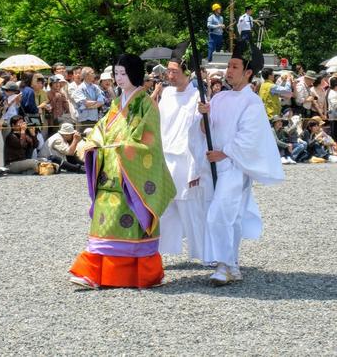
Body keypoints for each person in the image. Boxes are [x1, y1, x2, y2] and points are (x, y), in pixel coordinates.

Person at [69, 53, 176, 289]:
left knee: (128, 224)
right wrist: (92, 142)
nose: (119, 78)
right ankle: (93, 273)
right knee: (103, 221)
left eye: (123, 73)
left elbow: (149, 141)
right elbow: (102, 128)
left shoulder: (146, 104)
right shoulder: (117, 103)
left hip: (130, 175)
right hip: (109, 171)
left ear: (134, 74)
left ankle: (142, 275)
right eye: (116, 74)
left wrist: (124, 149)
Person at [197, 41, 284, 285]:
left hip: (235, 165)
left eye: (235, 66)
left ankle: (223, 265)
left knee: (220, 213)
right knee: (230, 216)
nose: (229, 71)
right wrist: (204, 114)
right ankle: (232, 265)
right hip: (217, 164)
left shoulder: (252, 102)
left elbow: (249, 137)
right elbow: (206, 129)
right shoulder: (221, 97)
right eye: (229, 66)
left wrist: (223, 152)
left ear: (247, 72)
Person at [158, 58, 204, 260]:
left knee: (190, 206)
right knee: (165, 206)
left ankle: (204, 252)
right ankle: (161, 251)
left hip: (185, 156)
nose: (170, 75)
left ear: (188, 72)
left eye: (174, 71)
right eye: (169, 71)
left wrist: (196, 166)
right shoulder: (166, 93)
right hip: (165, 155)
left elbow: (198, 130)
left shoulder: (197, 96)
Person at [72, 67, 105, 132]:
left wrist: (90, 105)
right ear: (87, 75)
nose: (94, 75)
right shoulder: (79, 88)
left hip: (95, 118)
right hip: (84, 119)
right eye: (92, 73)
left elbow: (102, 101)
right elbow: (85, 103)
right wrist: (96, 103)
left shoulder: (96, 87)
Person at [327, 77, 337, 141]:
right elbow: (335, 105)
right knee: (335, 134)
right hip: (334, 116)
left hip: (334, 116)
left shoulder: (334, 92)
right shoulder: (332, 93)